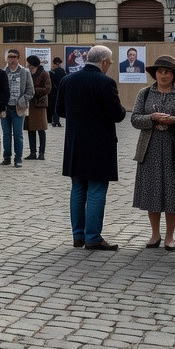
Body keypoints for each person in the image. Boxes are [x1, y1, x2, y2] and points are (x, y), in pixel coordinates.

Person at [56, 45, 125, 251]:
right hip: (99, 144)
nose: (110, 66)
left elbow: (60, 110)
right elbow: (118, 114)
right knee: (96, 188)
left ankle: (78, 236)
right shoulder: (105, 82)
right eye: (110, 62)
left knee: (78, 188)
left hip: (75, 142)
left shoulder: (67, 80)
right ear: (104, 62)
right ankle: (93, 237)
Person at [130, 55, 175, 251]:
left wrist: (174, 121)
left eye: (167, 72)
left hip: (174, 148)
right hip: (149, 148)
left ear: (174, 75)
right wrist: (152, 117)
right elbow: (134, 119)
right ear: (154, 73)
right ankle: (155, 233)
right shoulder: (145, 93)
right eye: (160, 71)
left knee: (172, 191)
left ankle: (170, 236)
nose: (163, 75)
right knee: (152, 191)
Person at [1, 49, 34, 168]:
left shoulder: (25, 72)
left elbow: (31, 91)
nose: (12, 59)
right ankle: (6, 157)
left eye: (14, 57)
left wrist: (22, 101)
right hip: (5, 108)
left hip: (18, 108)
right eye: (9, 57)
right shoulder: (3, 72)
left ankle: (18, 158)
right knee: (6, 134)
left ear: (18, 58)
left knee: (18, 134)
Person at [25, 55, 51, 161]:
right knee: (30, 128)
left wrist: (33, 90)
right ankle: (32, 152)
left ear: (32, 64)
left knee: (41, 129)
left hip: (39, 104)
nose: (27, 65)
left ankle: (41, 153)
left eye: (28, 63)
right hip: (29, 104)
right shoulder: (27, 73)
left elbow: (47, 88)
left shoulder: (44, 74)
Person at [48, 57, 66, 127]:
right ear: (59, 63)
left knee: (53, 106)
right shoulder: (62, 71)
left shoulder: (51, 72)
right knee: (58, 104)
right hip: (60, 90)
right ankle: (57, 121)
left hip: (53, 91)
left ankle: (54, 120)